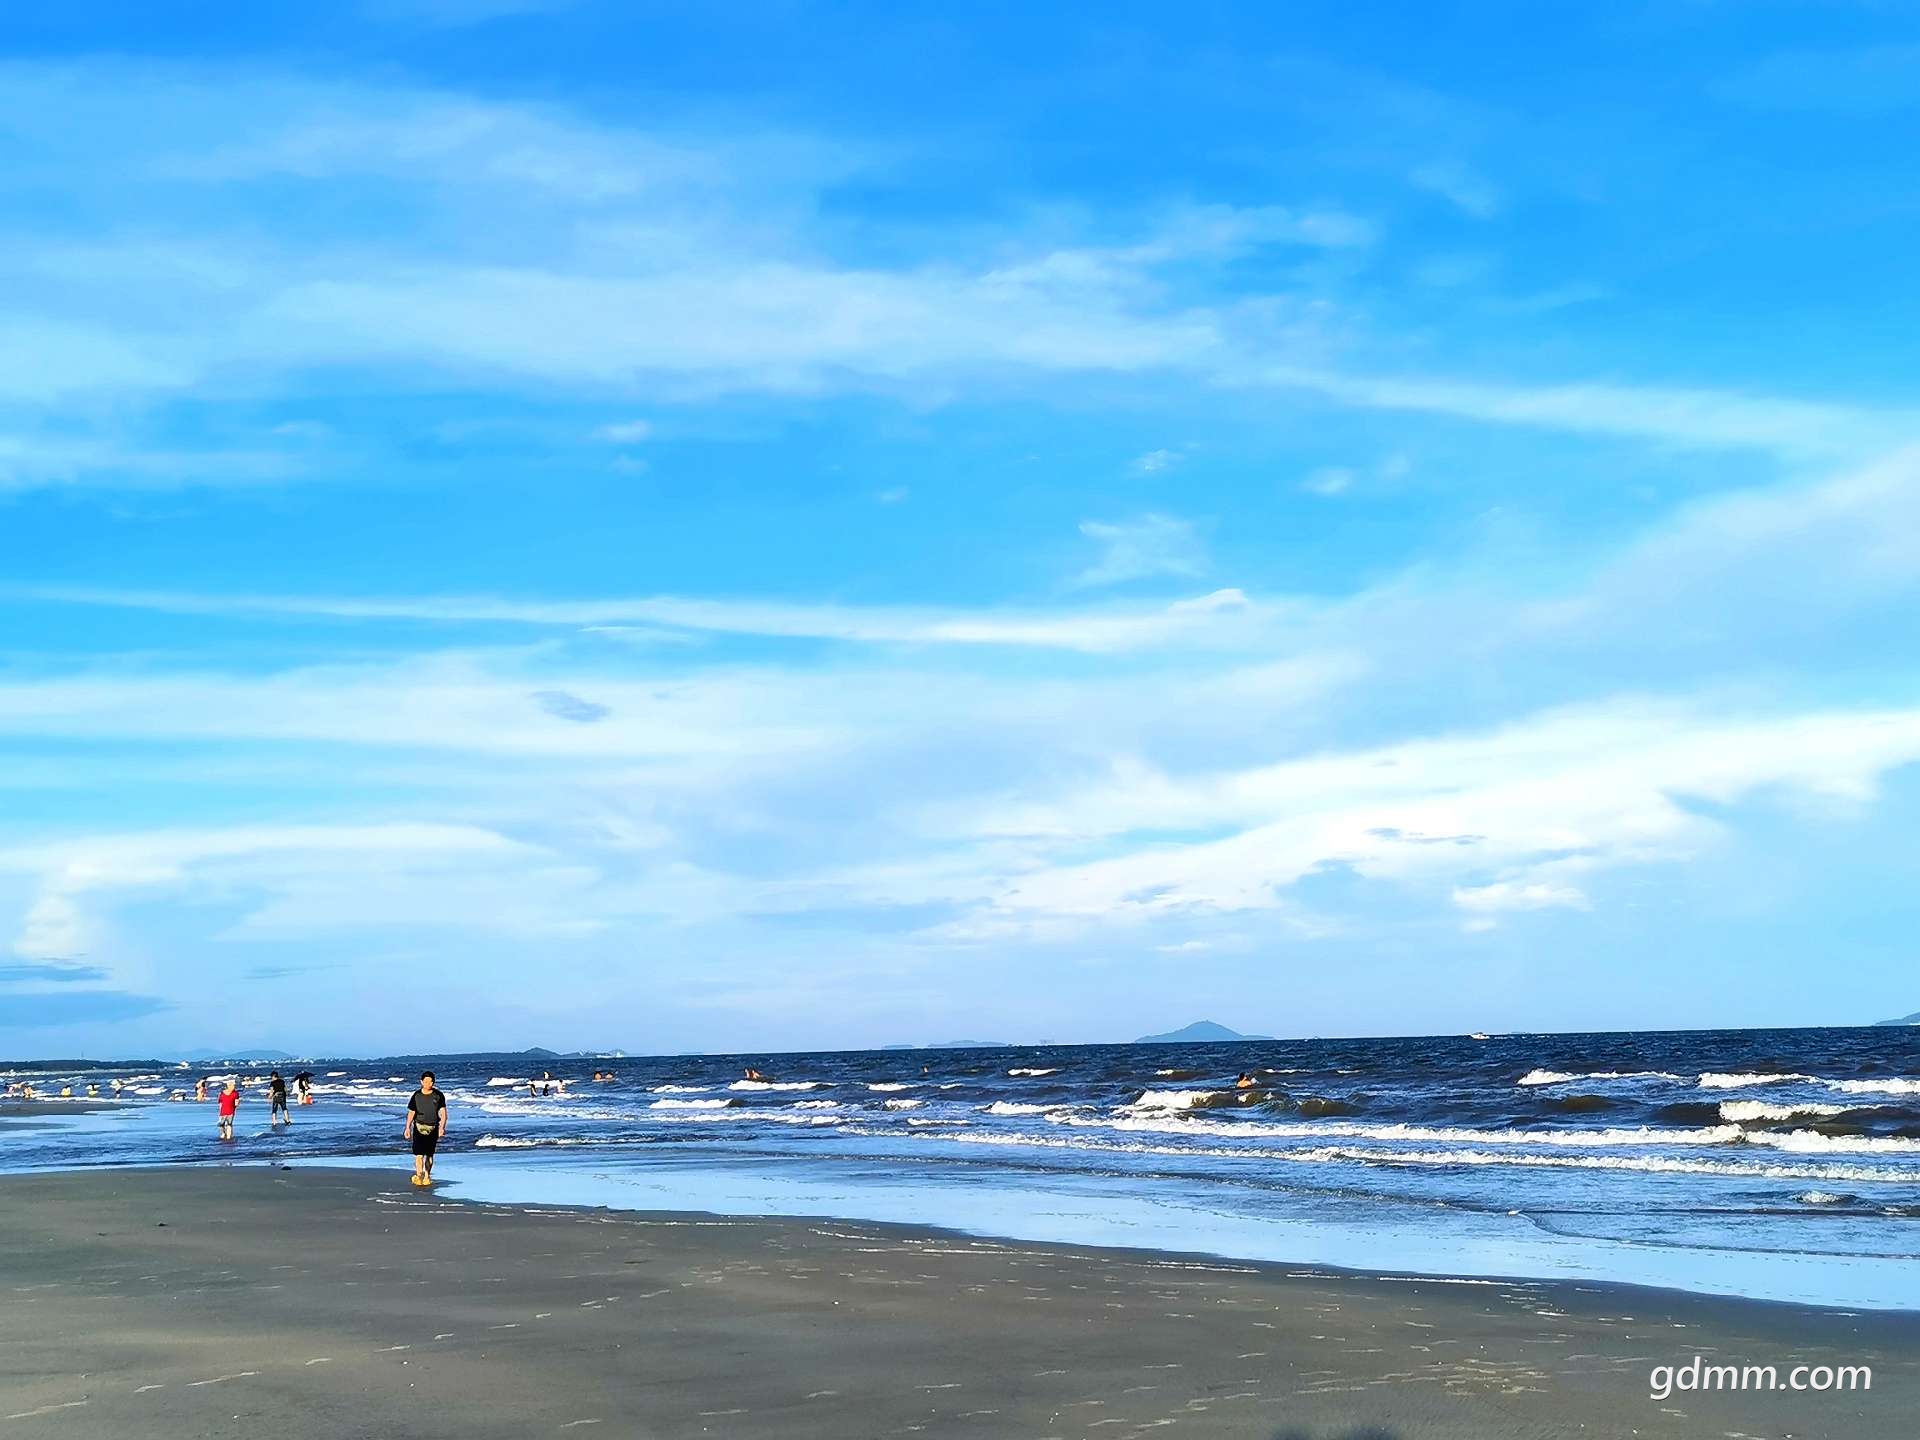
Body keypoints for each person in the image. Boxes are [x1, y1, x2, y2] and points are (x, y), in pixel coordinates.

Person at [405, 1071, 449, 1186]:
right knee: (418, 1154)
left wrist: (442, 1128)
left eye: (430, 1081)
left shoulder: (438, 1095)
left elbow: (443, 1113)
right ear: (421, 1082)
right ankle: (419, 1175)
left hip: (433, 1128)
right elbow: (411, 1112)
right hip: (418, 1127)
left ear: (433, 1082)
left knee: (429, 1154)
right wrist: (407, 1128)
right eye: (425, 1081)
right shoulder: (416, 1095)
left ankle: (427, 1176)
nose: (428, 1083)